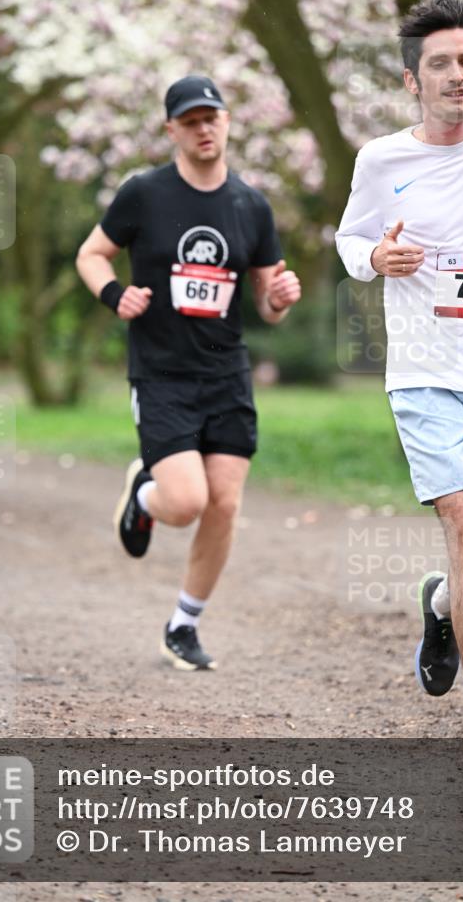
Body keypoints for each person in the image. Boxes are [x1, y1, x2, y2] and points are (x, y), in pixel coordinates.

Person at [335, 0, 463, 788]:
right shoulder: (381, 160)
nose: (459, 76)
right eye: (443, 64)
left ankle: (444, 606)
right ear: (411, 78)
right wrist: (372, 261)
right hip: (425, 371)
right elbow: (350, 239)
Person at [76, 75, 301, 670]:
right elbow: (90, 253)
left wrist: (281, 294)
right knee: (184, 503)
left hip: (226, 374)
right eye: (191, 120)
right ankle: (145, 497)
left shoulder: (251, 205)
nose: (204, 128)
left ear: (227, 123)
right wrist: (113, 294)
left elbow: (268, 304)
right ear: (172, 129)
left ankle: (184, 624)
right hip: (163, 374)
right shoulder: (144, 193)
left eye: (213, 118)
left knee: (223, 504)